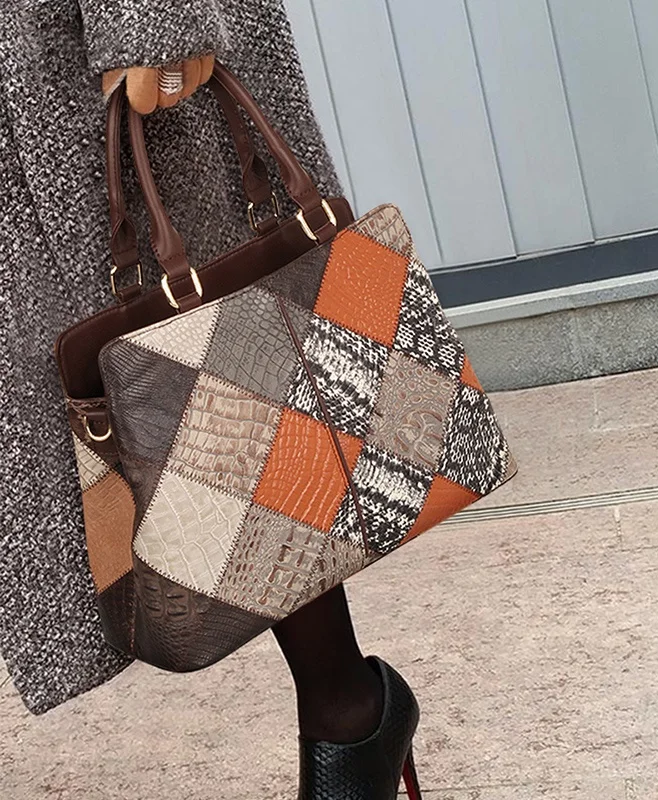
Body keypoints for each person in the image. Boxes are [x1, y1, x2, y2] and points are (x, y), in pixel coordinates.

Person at [0, 3, 422, 797]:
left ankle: (347, 710)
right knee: (218, 385)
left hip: (82, 61)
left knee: (228, 382)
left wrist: (153, 23)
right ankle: (351, 713)